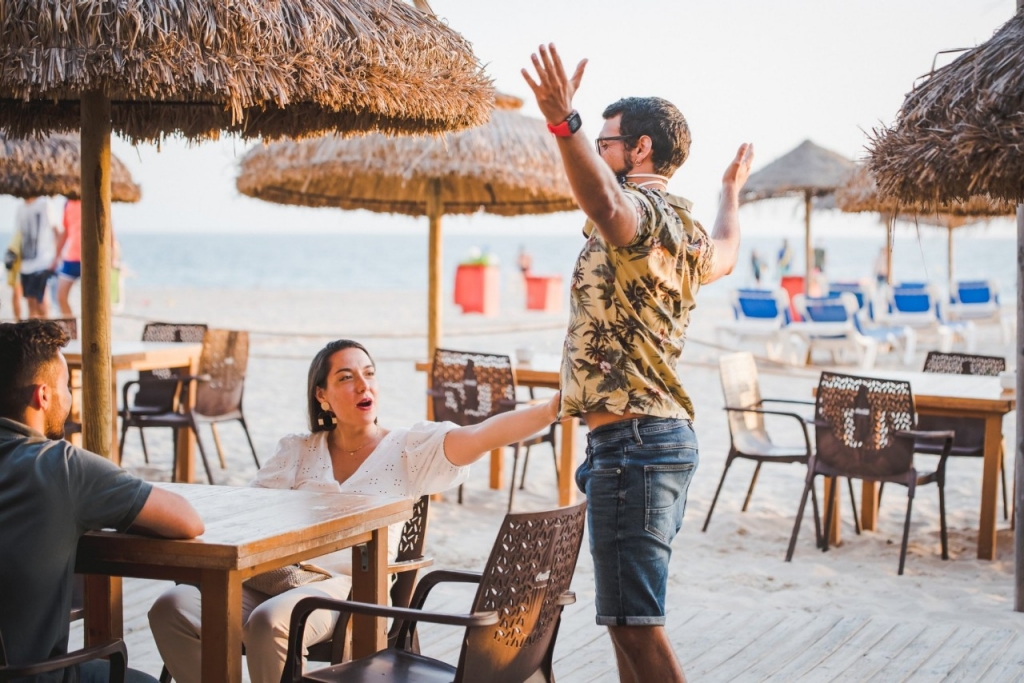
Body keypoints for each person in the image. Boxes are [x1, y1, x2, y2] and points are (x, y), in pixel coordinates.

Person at [522, 44, 753, 683]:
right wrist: (730, 193)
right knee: (627, 622)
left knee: (633, 625)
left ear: (641, 149)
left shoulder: (646, 217)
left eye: (606, 143)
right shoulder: (690, 229)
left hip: (635, 443)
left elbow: (606, 206)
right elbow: (729, 252)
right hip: (645, 441)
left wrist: (563, 125)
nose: (597, 152)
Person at [149, 339, 560, 683]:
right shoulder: (297, 450)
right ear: (322, 396)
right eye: (346, 378)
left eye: (368, 373)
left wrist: (550, 409)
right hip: (275, 578)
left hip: (345, 588)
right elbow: (251, 516)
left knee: (271, 621)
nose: (363, 385)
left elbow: (483, 434)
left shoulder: (409, 448)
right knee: (170, 607)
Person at [0, 320, 205, 682]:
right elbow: (186, 521)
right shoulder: (59, 466)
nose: (70, 397)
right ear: (42, 395)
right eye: (67, 385)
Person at [15, 196, 62, 319]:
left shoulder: (44, 203)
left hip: (43, 263)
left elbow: (57, 231)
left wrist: (57, 258)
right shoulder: (20, 208)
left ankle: (48, 336)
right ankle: (33, 336)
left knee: (42, 303)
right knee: (30, 304)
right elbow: (19, 237)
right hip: (25, 265)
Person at [55, 199, 82, 317]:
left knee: (91, 299)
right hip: (71, 257)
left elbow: (107, 226)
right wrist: (56, 256)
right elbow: (65, 231)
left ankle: (93, 333)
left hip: (91, 259)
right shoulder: (67, 203)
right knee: (61, 296)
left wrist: (112, 256)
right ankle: (72, 332)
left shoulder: (92, 198)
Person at [4, 229, 23, 320]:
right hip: (20, 267)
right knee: (17, 295)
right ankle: (18, 320)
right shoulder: (19, 233)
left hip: (25, 267)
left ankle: (19, 320)